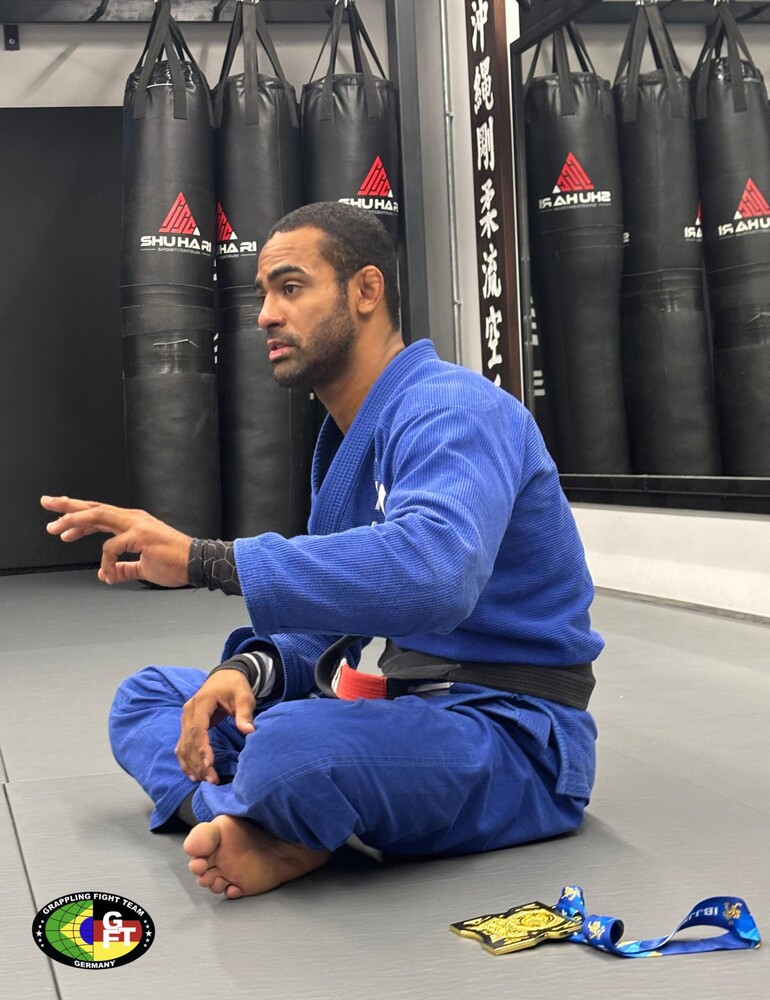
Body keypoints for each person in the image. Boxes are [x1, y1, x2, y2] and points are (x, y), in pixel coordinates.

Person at [42, 202, 603, 900]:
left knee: (291, 748)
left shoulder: (454, 408)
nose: (265, 316)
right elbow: (328, 627)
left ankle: (257, 813)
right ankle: (263, 824)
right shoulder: (347, 444)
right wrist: (247, 671)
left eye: (291, 287)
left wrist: (206, 559)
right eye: (263, 295)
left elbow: (434, 574)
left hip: (511, 735)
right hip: (409, 715)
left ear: (365, 290)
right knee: (150, 696)